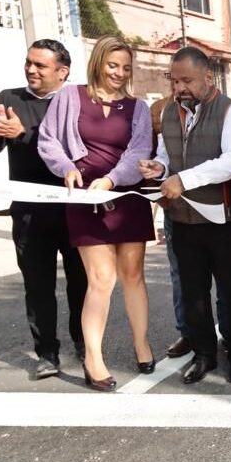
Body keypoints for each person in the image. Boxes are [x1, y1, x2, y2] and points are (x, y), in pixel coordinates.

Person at [38, 35, 155, 392]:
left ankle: (141, 343)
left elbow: (140, 150)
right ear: (98, 62)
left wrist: (112, 179)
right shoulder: (69, 96)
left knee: (133, 273)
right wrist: (65, 167)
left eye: (125, 68)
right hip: (85, 198)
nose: (119, 73)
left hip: (126, 194)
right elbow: (48, 139)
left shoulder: (139, 108)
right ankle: (94, 358)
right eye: (112, 65)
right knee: (101, 279)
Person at [139, 47, 231, 385]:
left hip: (226, 219)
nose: (180, 88)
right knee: (193, 294)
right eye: (174, 81)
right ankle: (204, 354)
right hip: (183, 218)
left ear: (208, 77)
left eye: (186, 80)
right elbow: (165, 155)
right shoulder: (169, 112)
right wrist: (157, 168)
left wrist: (183, 179)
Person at [0, 39, 88, 380]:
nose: (31, 70)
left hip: (73, 208)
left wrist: (24, 134)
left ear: (62, 71)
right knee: (37, 286)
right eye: (29, 63)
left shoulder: (78, 101)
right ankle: (47, 353)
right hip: (28, 211)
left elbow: (75, 149)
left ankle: (86, 345)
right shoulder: (9, 99)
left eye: (40, 65)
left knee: (81, 282)